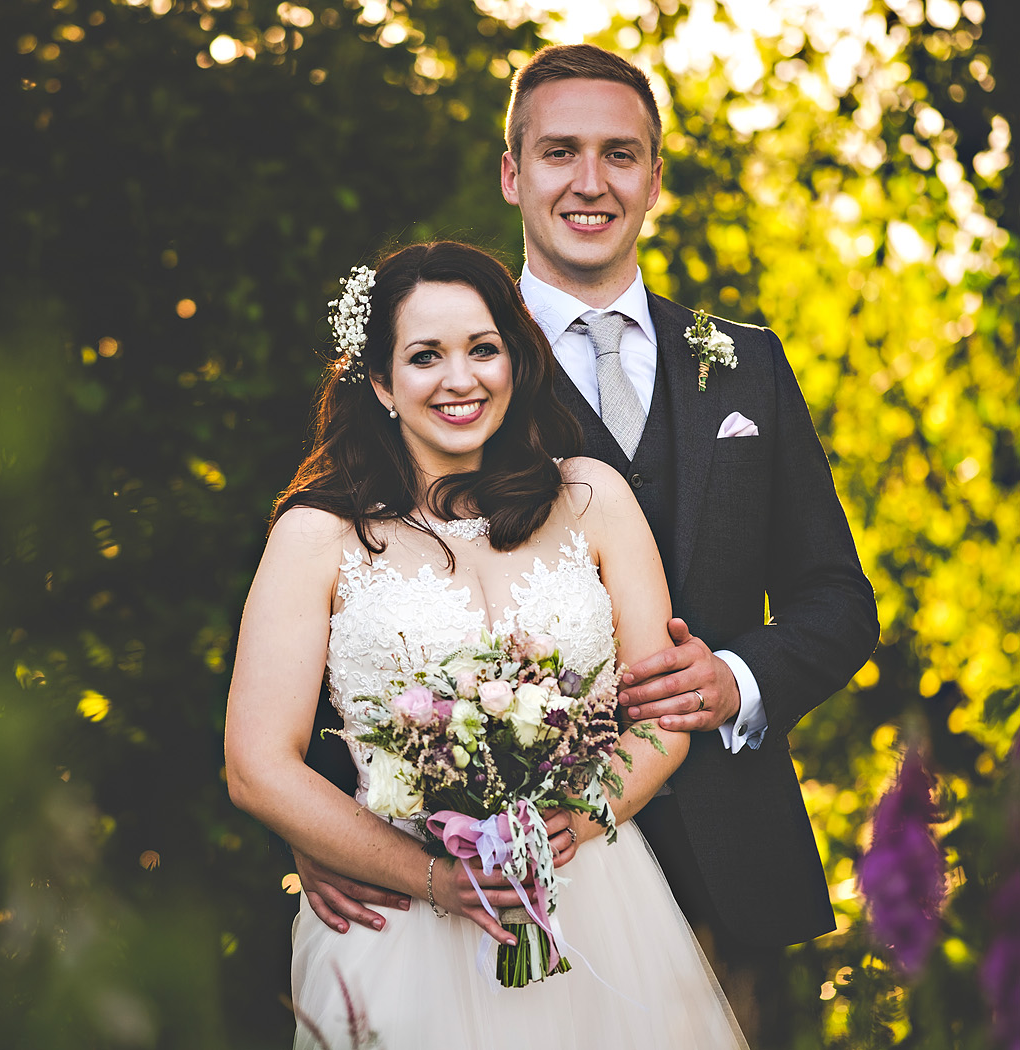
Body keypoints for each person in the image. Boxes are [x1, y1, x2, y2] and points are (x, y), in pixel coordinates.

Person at [291, 44, 880, 1047]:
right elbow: (357, 582)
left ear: (655, 177)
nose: (591, 181)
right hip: (469, 875)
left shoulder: (747, 367)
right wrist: (331, 826)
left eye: (621, 153)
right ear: (514, 172)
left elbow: (837, 598)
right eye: (560, 151)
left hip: (731, 868)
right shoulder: (444, 365)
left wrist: (735, 679)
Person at [225, 239, 749, 1047]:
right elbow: (257, 765)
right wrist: (439, 880)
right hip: (395, 917)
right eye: (425, 355)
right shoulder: (316, 535)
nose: (460, 378)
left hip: (593, 896)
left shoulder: (593, 498)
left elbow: (660, 711)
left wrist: (584, 812)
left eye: (482, 349)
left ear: (516, 361)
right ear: (379, 383)